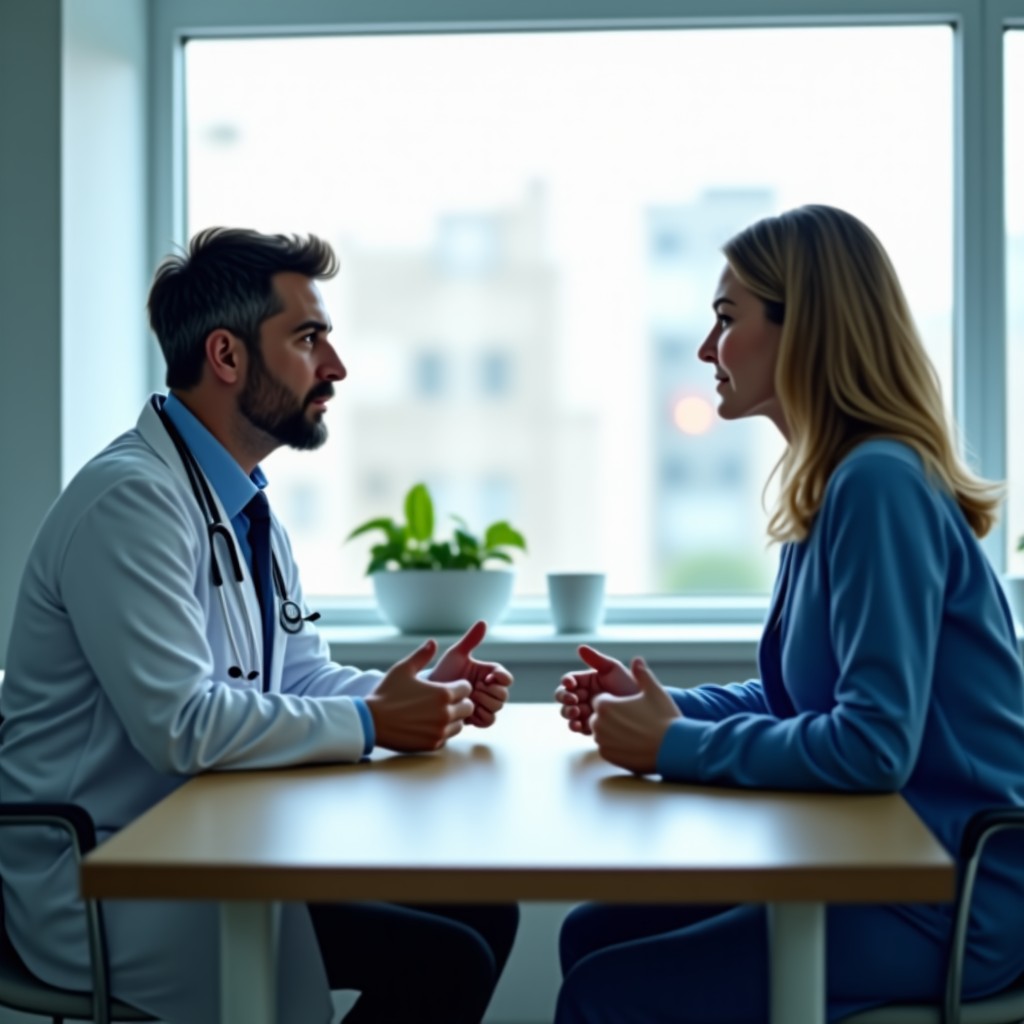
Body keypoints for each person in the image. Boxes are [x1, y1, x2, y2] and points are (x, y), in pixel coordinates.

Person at [0, 228, 519, 1024]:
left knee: (482, 913)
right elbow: (185, 726)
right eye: (308, 339)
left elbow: (296, 674)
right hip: (110, 869)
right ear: (227, 356)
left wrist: (408, 695)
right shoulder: (131, 503)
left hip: (211, 835)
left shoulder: (240, 502)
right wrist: (375, 721)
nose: (335, 368)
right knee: (445, 959)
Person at [553, 204, 1024, 1022]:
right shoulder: (835, 482)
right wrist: (661, 709)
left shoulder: (878, 486)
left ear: (803, 328)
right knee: (592, 933)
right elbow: (801, 703)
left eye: (727, 319)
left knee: (604, 994)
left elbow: (872, 746)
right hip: (883, 864)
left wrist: (674, 745)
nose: (706, 349)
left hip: (954, 895)